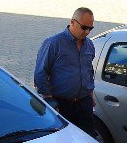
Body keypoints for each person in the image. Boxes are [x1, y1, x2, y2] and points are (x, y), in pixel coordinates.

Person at [34, 8, 97, 136]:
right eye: (84, 27)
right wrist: (49, 100)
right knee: (64, 142)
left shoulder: (89, 45)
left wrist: (90, 94)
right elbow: (40, 73)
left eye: (90, 29)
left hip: (84, 104)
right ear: (73, 22)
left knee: (89, 140)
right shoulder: (54, 43)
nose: (87, 32)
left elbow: (89, 71)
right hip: (62, 105)